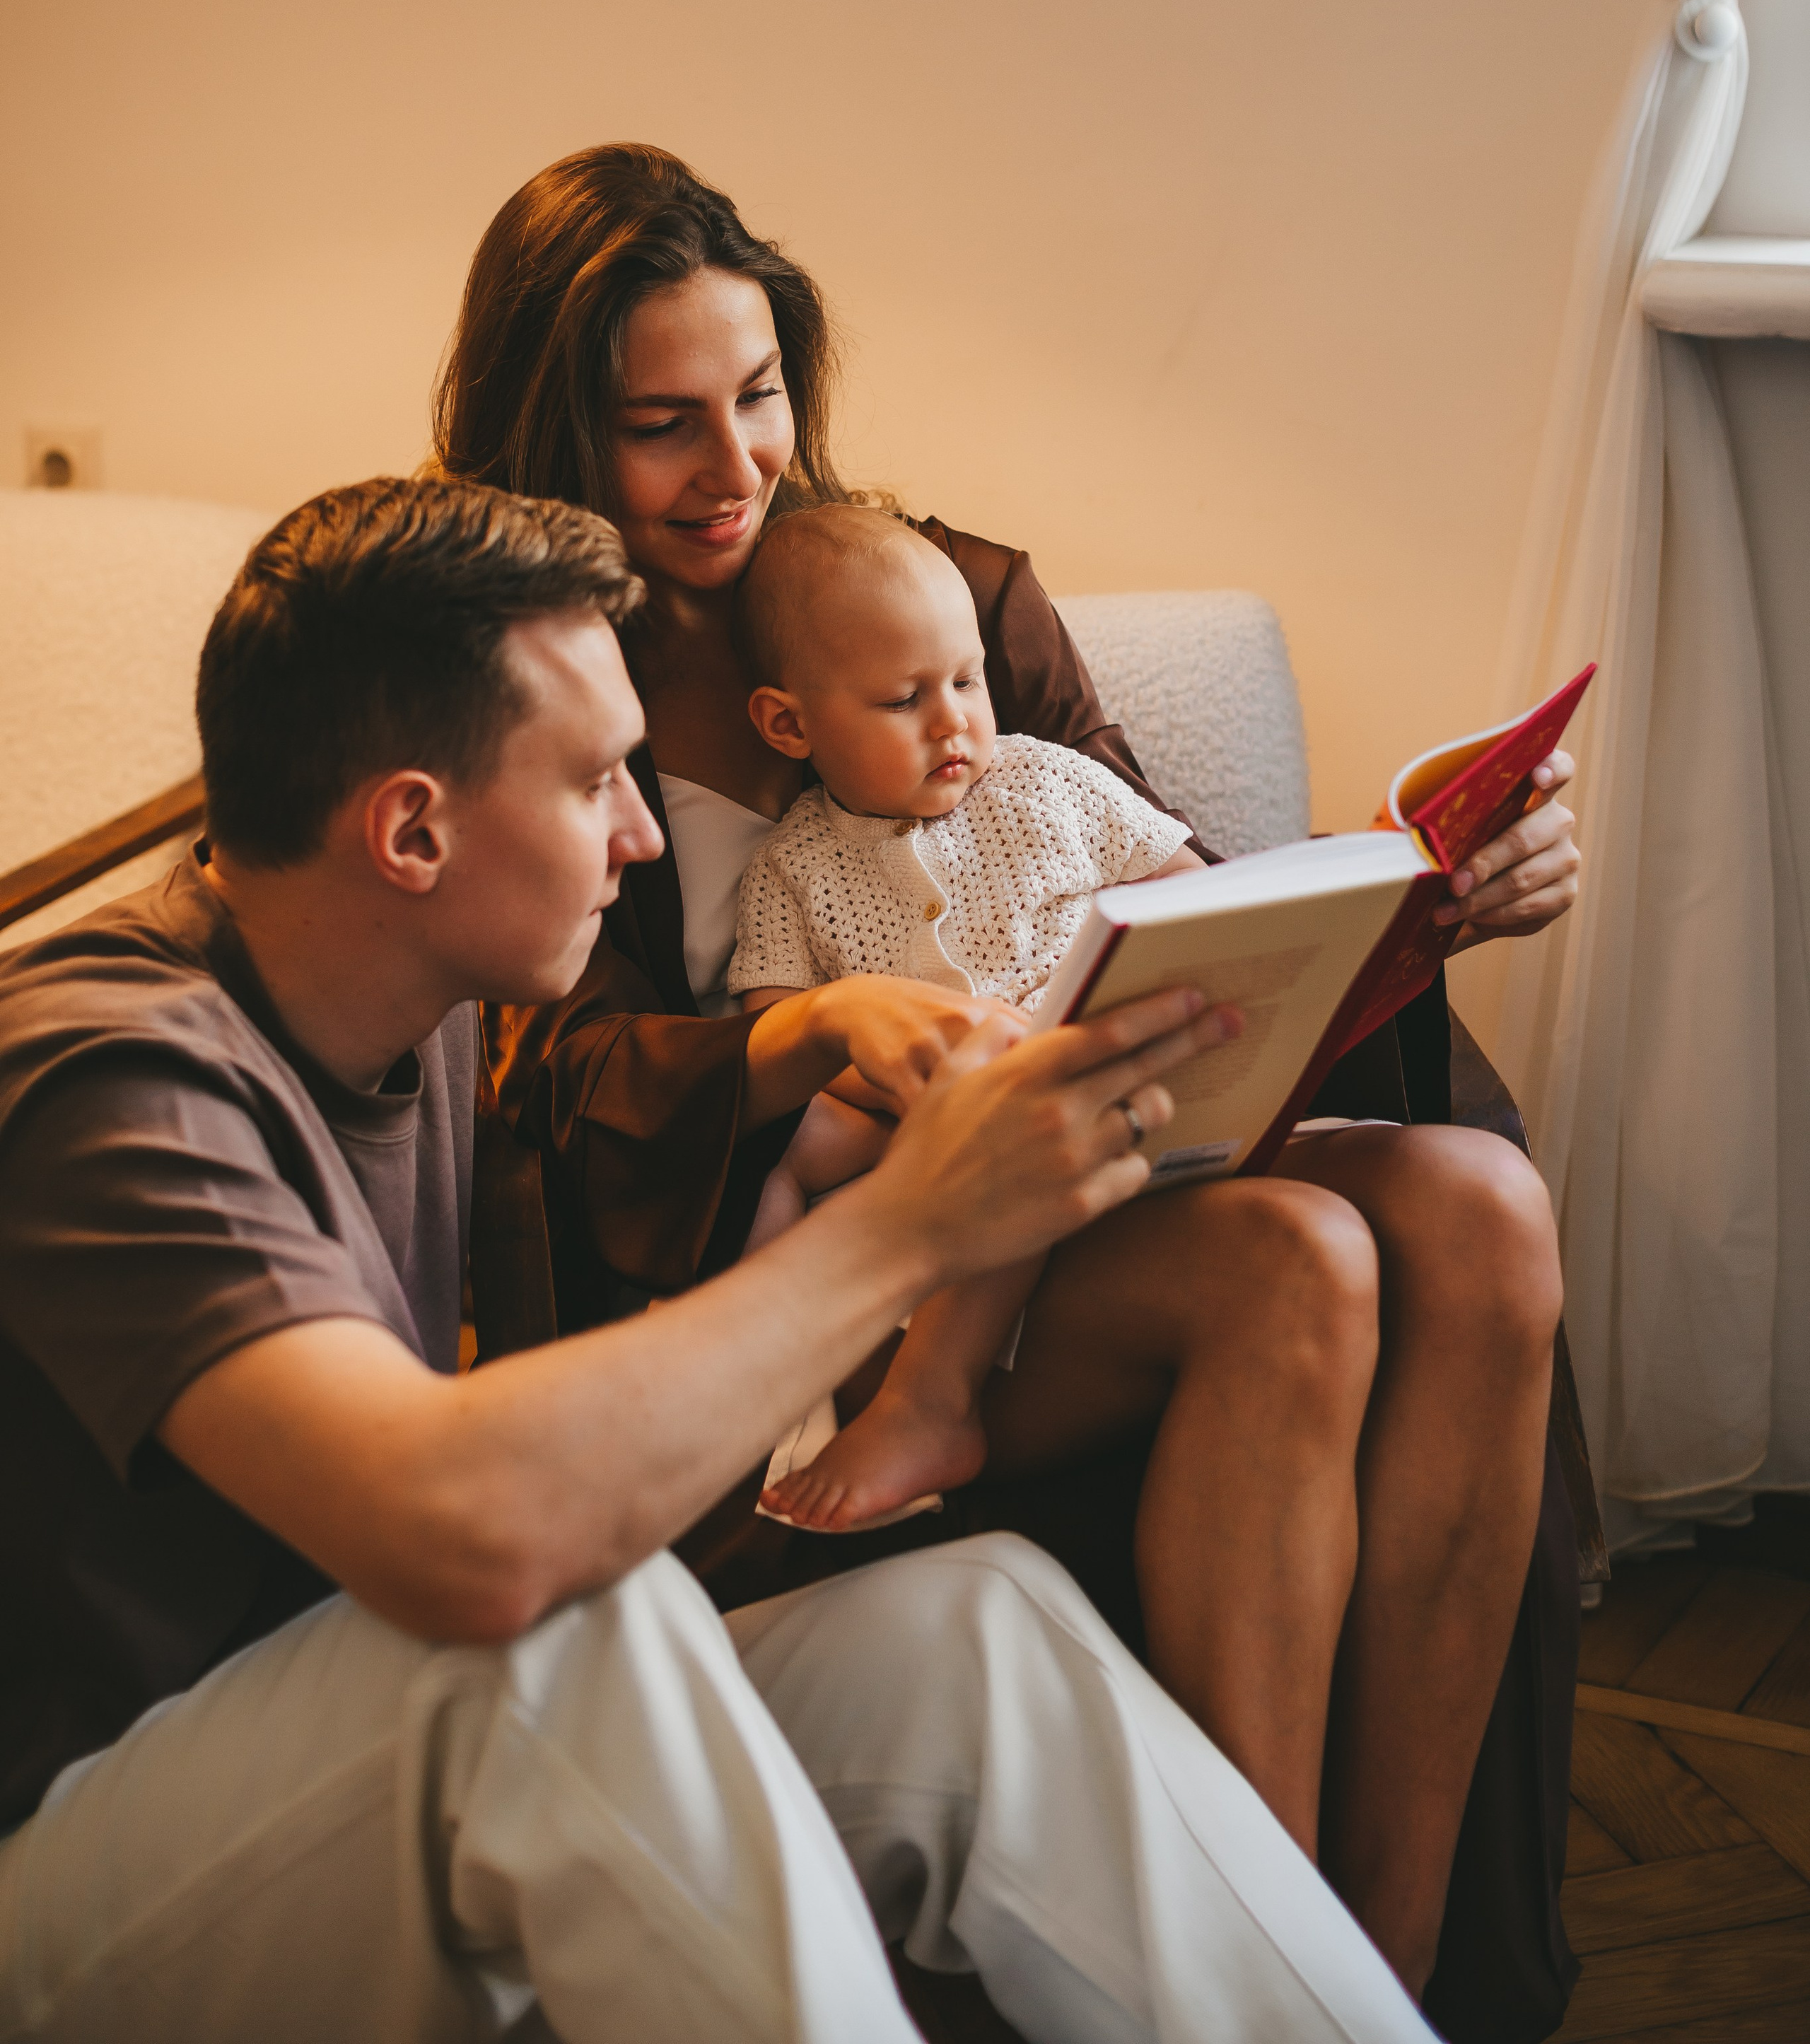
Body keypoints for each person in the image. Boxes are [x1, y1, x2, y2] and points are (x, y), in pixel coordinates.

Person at [0, 474, 1435, 2044]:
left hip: (350, 1754)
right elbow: (458, 1536)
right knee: (549, 1643)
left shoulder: (430, 997)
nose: (637, 834)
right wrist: (916, 1226)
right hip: (80, 1864)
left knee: (983, 1635)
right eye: (600, 779)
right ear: (411, 827)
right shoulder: (108, 1074)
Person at [433, 143, 1584, 2028]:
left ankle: (1391, 1963)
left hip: (1085, 1155)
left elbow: (1168, 893)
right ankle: (1241, 1968)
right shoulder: (517, 663)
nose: (736, 468)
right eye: (662, 427)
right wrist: (808, 1031)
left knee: (1486, 1212)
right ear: (558, 426)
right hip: (814, 1248)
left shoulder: (944, 596)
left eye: (761, 396)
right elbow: (516, 1073)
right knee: (1297, 1262)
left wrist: (1431, 907)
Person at [728, 502, 1199, 1531]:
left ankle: (931, 1402)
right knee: (776, 1142)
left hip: (1077, 1070)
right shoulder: (794, 866)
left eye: (967, 679)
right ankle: (774, 1384)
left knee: (1009, 1108)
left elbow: (1192, 890)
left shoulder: (1047, 779)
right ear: (789, 724)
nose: (954, 722)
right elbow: (773, 1017)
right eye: (905, 699)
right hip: (903, 1098)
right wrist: (874, 1076)